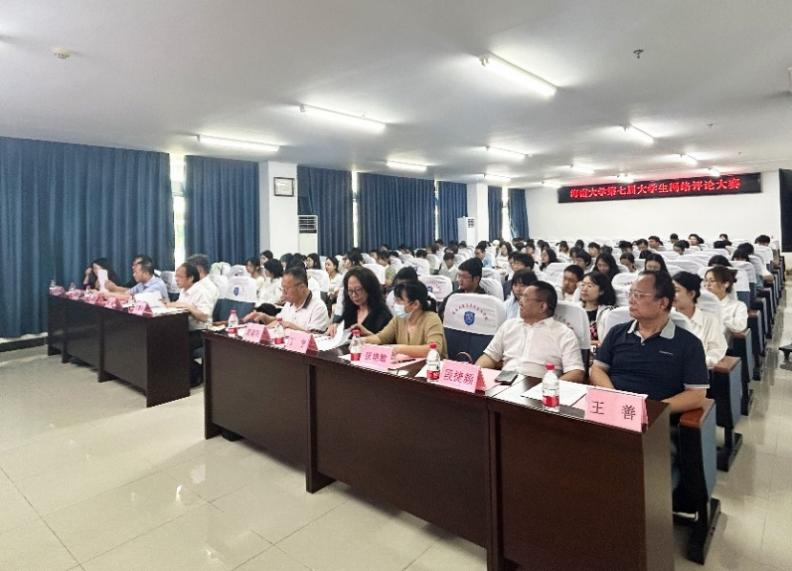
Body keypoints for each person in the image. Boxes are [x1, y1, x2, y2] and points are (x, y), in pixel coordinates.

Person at [590, 271, 709, 413]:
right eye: (631, 294)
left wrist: (650, 410)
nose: (631, 300)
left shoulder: (689, 344)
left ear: (663, 303)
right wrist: (614, 397)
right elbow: (597, 369)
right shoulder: (617, 332)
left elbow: (697, 395)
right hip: (611, 410)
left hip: (655, 417)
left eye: (638, 295)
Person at [477, 281, 585, 381]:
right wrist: (474, 375)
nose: (520, 302)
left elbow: (576, 372)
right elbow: (489, 357)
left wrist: (549, 387)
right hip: (503, 384)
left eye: (526, 298)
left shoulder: (564, 334)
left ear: (542, 306)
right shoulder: (509, 325)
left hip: (538, 388)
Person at [363, 280, 447, 358]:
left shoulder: (432, 319)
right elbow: (381, 338)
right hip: (407, 366)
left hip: (431, 366)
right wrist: (362, 341)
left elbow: (434, 349)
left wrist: (398, 349)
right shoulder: (399, 318)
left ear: (415, 304)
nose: (395, 304)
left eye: (399, 301)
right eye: (395, 300)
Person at [168, 262, 216, 386]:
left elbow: (204, 317)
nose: (176, 279)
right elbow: (179, 306)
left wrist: (188, 307)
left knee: (178, 345)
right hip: (186, 329)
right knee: (165, 341)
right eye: (176, 276)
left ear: (190, 278)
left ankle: (196, 376)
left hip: (202, 331)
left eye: (179, 276)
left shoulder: (202, 292)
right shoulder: (183, 290)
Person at [243, 267, 329, 332]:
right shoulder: (290, 303)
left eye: (286, 289)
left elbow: (315, 339)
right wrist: (265, 317)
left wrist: (290, 326)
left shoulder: (318, 307)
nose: (283, 293)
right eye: (282, 288)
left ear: (301, 288)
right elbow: (279, 321)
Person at [672, 272, 728, 368]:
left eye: (676, 290)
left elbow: (717, 351)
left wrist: (697, 363)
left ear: (691, 294)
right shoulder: (663, 318)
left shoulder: (709, 321)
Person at [326, 267, 391, 337]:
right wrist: (334, 327)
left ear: (369, 288)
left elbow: (388, 341)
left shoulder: (383, 315)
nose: (354, 295)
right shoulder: (350, 311)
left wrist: (369, 335)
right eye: (350, 291)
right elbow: (339, 325)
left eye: (358, 290)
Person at [704, 266, 748, 336]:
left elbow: (740, 326)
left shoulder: (738, 306)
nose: (707, 285)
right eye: (706, 280)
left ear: (726, 284)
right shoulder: (699, 304)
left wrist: (717, 310)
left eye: (712, 281)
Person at [102, 258, 169, 303]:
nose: (133, 275)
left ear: (145, 273)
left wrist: (110, 295)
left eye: (136, 272)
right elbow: (127, 293)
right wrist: (109, 294)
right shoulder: (142, 284)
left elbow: (136, 298)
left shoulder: (157, 285)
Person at [579, 271, 616, 345]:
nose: (584, 289)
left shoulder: (608, 313)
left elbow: (606, 343)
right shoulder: (576, 308)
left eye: (589, 286)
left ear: (601, 291)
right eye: (583, 285)